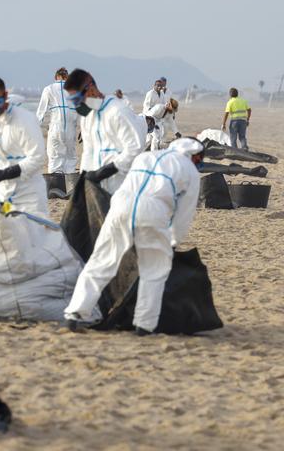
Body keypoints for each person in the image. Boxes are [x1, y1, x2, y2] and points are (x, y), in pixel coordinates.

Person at [64, 137, 205, 335]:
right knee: (154, 269)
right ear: (195, 156)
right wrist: (173, 240)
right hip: (153, 212)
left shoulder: (146, 156)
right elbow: (184, 212)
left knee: (101, 260)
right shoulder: (190, 171)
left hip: (120, 206)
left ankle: (76, 312)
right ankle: (144, 324)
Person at [0, 76, 48, 216]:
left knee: (30, 232)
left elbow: (38, 158)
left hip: (27, 192)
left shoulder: (26, 120)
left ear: (5, 96)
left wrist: (4, 174)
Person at [65, 69, 143, 194]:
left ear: (90, 89)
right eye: (73, 101)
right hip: (99, 189)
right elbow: (88, 151)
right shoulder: (87, 117)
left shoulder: (118, 111)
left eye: (77, 99)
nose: (77, 105)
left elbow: (135, 148)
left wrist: (110, 168)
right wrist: (83, 178)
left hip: (122, 186)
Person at [36, 67, 79, 173]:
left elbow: (41, 111)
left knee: (55, 159)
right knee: (70, 159)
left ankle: (57, 187)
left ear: (56, 77)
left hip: (56, 127)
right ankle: (70, 188)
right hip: (71, 129)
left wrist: (35, 128)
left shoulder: (49, 89)